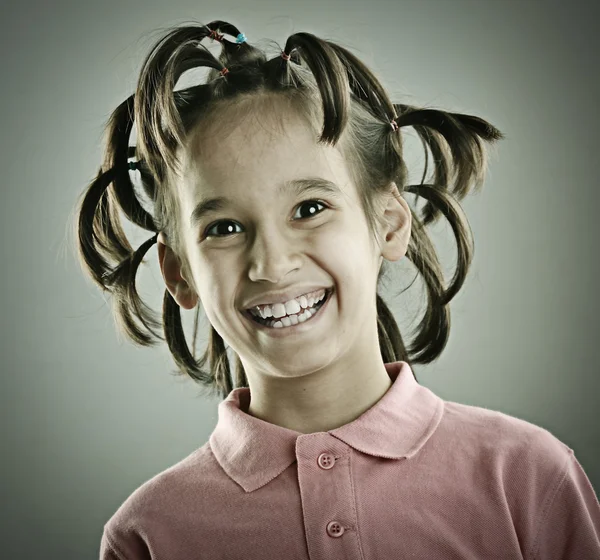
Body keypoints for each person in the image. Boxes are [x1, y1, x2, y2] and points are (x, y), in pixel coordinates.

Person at [74, 20, 600, 560]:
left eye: (309, 209)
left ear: (389, 224)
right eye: (224, 228)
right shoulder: (150, 534)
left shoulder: (528, 478)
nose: (272, 264)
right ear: (179, 272)